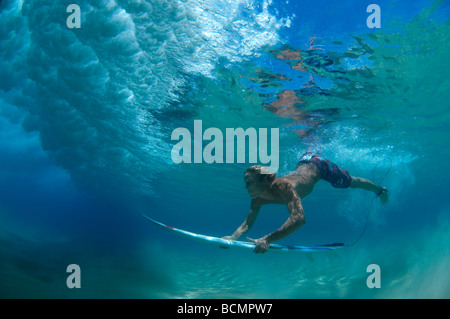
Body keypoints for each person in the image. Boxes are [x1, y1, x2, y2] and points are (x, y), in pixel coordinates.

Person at [223, 152, 388, 254]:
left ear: (264, 181)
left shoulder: (283, 186)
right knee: (311, 142)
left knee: (351, 182)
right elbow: (247, 224)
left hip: (319, 165)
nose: (246, 188)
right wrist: (233, 237)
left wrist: (267, 239)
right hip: (304, 162)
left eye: (249, 183)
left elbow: (299, 218)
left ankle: (379, 190)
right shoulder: (257, 198)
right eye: (246, 183)